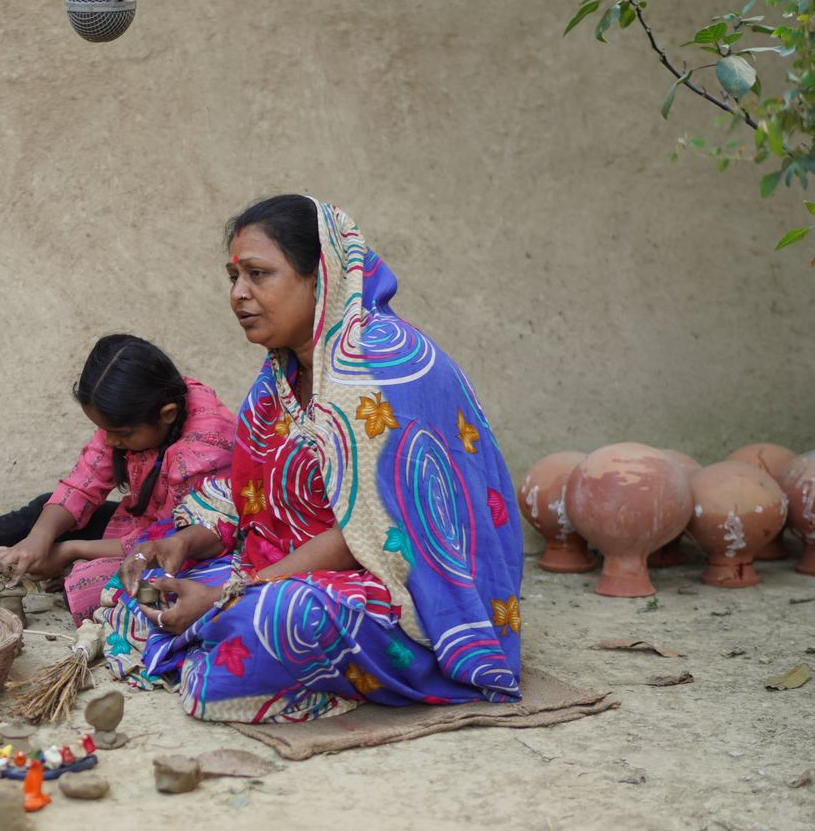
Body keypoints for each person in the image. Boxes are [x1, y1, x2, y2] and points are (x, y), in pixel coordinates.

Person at [99, 195, 524, 723]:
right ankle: (232, 628)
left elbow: (374, 532)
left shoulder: (377, 372)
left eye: (259, 274)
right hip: (296, 568)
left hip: (403, 589)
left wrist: (227, 596)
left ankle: (241, 635)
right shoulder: (277, 380)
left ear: (320, 276)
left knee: (274, 621)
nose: (238, 294)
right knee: (137, 590)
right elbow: (251, 499)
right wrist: (180, 542)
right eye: (233, 276)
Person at [0, 333, 237, 623]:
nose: (111, 442)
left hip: (187, 550)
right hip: (140, 526)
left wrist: (69, 551)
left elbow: (161, 542)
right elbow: (84, 481)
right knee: (42, 516)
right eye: (106, 432)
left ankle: (82, 577)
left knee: (128, 593)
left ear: (167, 415)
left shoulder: (202, 450)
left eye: (121, 434)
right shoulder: (144, 403)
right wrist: (38, 540)